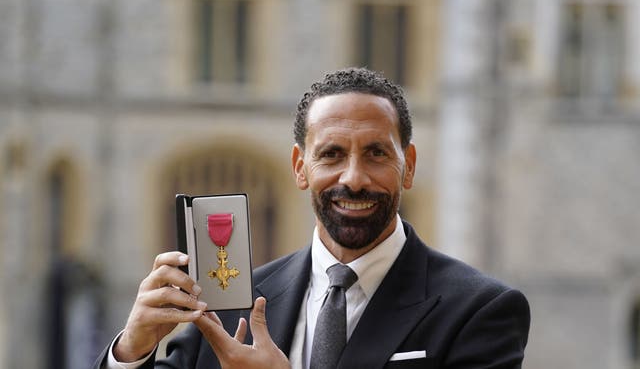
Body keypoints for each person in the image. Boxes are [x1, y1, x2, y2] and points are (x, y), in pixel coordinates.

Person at [93, 67, 530, 369]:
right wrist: (131, 350)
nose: (354, 178)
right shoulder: (230, 301)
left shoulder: (480, 311)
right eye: (332, 155)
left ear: (409, 165)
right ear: (301, 168)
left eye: (376, 154)